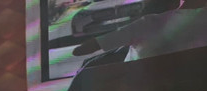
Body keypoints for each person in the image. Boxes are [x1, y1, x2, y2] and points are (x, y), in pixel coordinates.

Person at [73, 0, 207, 60]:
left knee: (92, 63)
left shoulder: (146, 24)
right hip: (192, 88)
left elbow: (83, 49)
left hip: (138, 87)